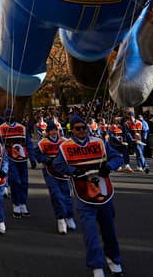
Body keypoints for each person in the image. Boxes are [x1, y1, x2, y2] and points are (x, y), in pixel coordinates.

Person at [54, 115, 124, 277]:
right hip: (83, 195)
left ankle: (114, 259)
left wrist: (109, 166)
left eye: (83, 127)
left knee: (110, 230)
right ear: (72, 130)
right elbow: (58, 164)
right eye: (77, 128)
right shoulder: (65, 147)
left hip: (104, 193)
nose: (81, 131)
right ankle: (96, 265)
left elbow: (117, 157)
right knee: (90, 232)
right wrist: (73, 171)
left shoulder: (99, 142)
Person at [33, 120, 76, 234]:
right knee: (56, 195)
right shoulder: (43, 143)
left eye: (55, 129)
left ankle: (69, 216)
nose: (54, 132)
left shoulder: (65, 141)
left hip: (64, 173)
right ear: (47, 132)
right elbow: (37, 155)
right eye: (51, 130)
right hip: (50, 172)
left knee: (67, 195)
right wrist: (48, 160)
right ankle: (61, 219)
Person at [0, 109, 31, 218]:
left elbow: (28, 143)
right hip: (10, 159)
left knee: (24, 182)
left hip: (23, 159)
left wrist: (33, 157)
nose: (10, 117)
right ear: (5, 116)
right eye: (8, 115)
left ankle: (23, 203)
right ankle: (16, 204)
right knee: (15, 181)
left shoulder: (22, 128)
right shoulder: (1, 129)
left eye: (12, 115)